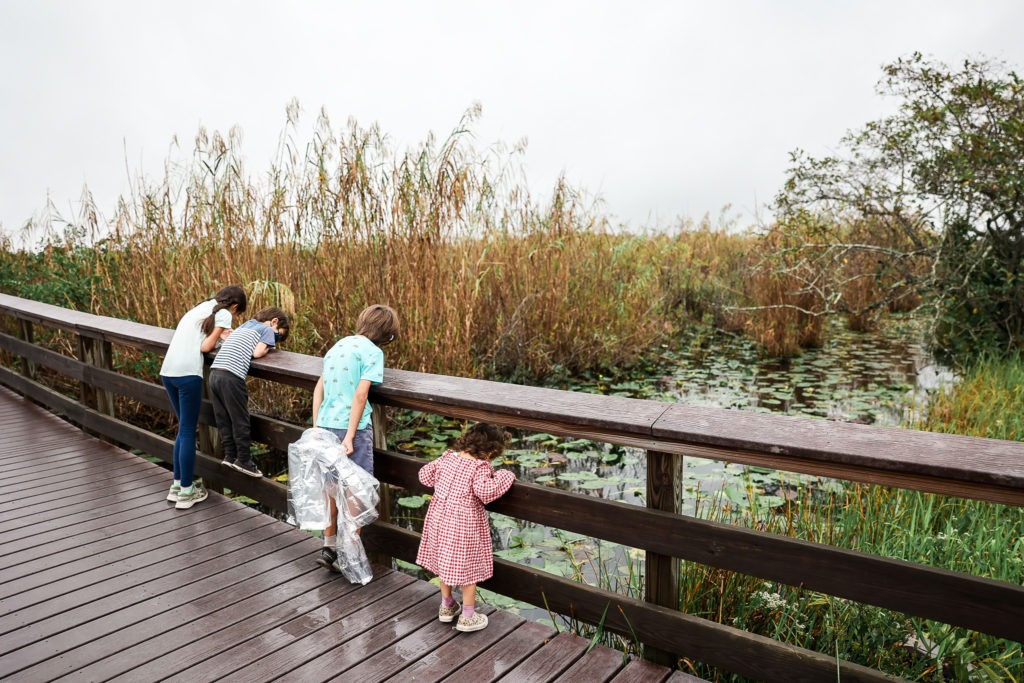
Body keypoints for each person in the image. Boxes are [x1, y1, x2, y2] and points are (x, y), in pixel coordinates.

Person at [311, 304, 400, 573]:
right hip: (353, 430)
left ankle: (328, 547)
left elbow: (319, 389)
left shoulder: (338, 346)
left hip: (326, 426)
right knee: (356, 492)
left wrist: (316, 427)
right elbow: (361, 396)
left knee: (331, 488)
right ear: (387, 333)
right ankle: (348, 555)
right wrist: (350, 436)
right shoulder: (373, 353)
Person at [415, 422, 515, 633]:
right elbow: (485, 492)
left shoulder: (448, 457)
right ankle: (468, 616)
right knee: (467, 568)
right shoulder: (479, 467)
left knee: (445, 561)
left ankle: (447, 605)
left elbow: (424, 475)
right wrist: (505, 475)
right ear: (491, 451)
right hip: (463, 524)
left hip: (439, 519)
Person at [160, 285, 247, 509]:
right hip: (188, 374)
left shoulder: (201, 307)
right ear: (235, 306)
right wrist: (223, 339)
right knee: (188, 430)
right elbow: (206, 346)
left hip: (168, 371)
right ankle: (187, 493)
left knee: (183, 428)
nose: (234, 317)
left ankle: (178, 486)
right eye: (238, 314)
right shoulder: (225, 313)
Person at [209, 306, 291, 477]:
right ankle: (244, 461)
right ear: (274, 322)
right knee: (240, 419)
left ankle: (230, 456)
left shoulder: (245, 325)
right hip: (232, 375)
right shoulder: (267, 329)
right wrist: (269, 344)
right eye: (279, 335)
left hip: (215, 372)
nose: (275, 340)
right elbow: (258, 351)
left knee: (224, 418)